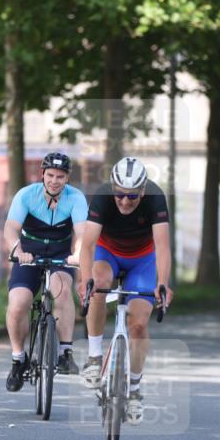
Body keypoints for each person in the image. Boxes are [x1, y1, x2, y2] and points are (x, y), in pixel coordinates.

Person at [77, 156, 173, 424]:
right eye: (120, 194)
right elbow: (88, 245)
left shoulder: (155, 197)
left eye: (132, 196)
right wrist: (85, 279)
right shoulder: (103, 196)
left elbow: (162, 246)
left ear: (142, 191)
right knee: (98, 284)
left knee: (139, 325)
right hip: (108, 253)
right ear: (113, 188)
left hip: (143, 260)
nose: (125, 201)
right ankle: (95, 357)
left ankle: (134, 389)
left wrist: (163, 282)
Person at [4, 152, 88, 392]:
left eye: (60, 176)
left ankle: (65, 352)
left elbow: (81, 233)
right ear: (42, 174)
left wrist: (77, 253)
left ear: (67, 178)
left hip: (61, 255)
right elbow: (10, 229)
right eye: (50, 175)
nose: (54, 181)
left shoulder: (76, 198)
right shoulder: (26, 195)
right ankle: (18, 360)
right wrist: (18, 251)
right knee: (18, 304)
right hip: (29, 254)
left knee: (62, 291)